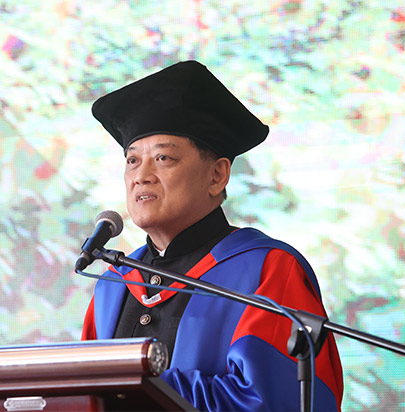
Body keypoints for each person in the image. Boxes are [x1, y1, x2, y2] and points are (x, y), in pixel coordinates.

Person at [81, 60, 344, 411]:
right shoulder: (114, 283)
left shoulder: (266, 270)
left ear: (217, 176)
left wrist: (142, 386)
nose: (141, 175)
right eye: (132, 161)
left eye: (163, 158)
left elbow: (278, 400)